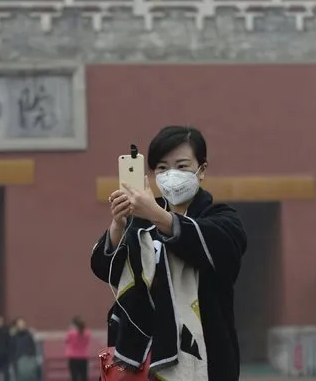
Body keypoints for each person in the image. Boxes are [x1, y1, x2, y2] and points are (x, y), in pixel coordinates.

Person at [91, 126, 247, 381]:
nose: (171, 175)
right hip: (142, 363)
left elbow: (217, 247)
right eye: (162, 168)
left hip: (206, 359)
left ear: (202, 169)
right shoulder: (139, 222)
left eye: (182, 166)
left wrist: (156, 215)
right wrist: (118, 225)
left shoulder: (222, 219)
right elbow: (105, 269)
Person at [64, 317, 90, 381]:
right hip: (83, 357)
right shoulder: (87, 333)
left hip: (73, 357)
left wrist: (71, 329)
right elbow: (87, 342)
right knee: (84, 376)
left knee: (74, 376)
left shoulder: (71, 333)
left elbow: (66, 341)